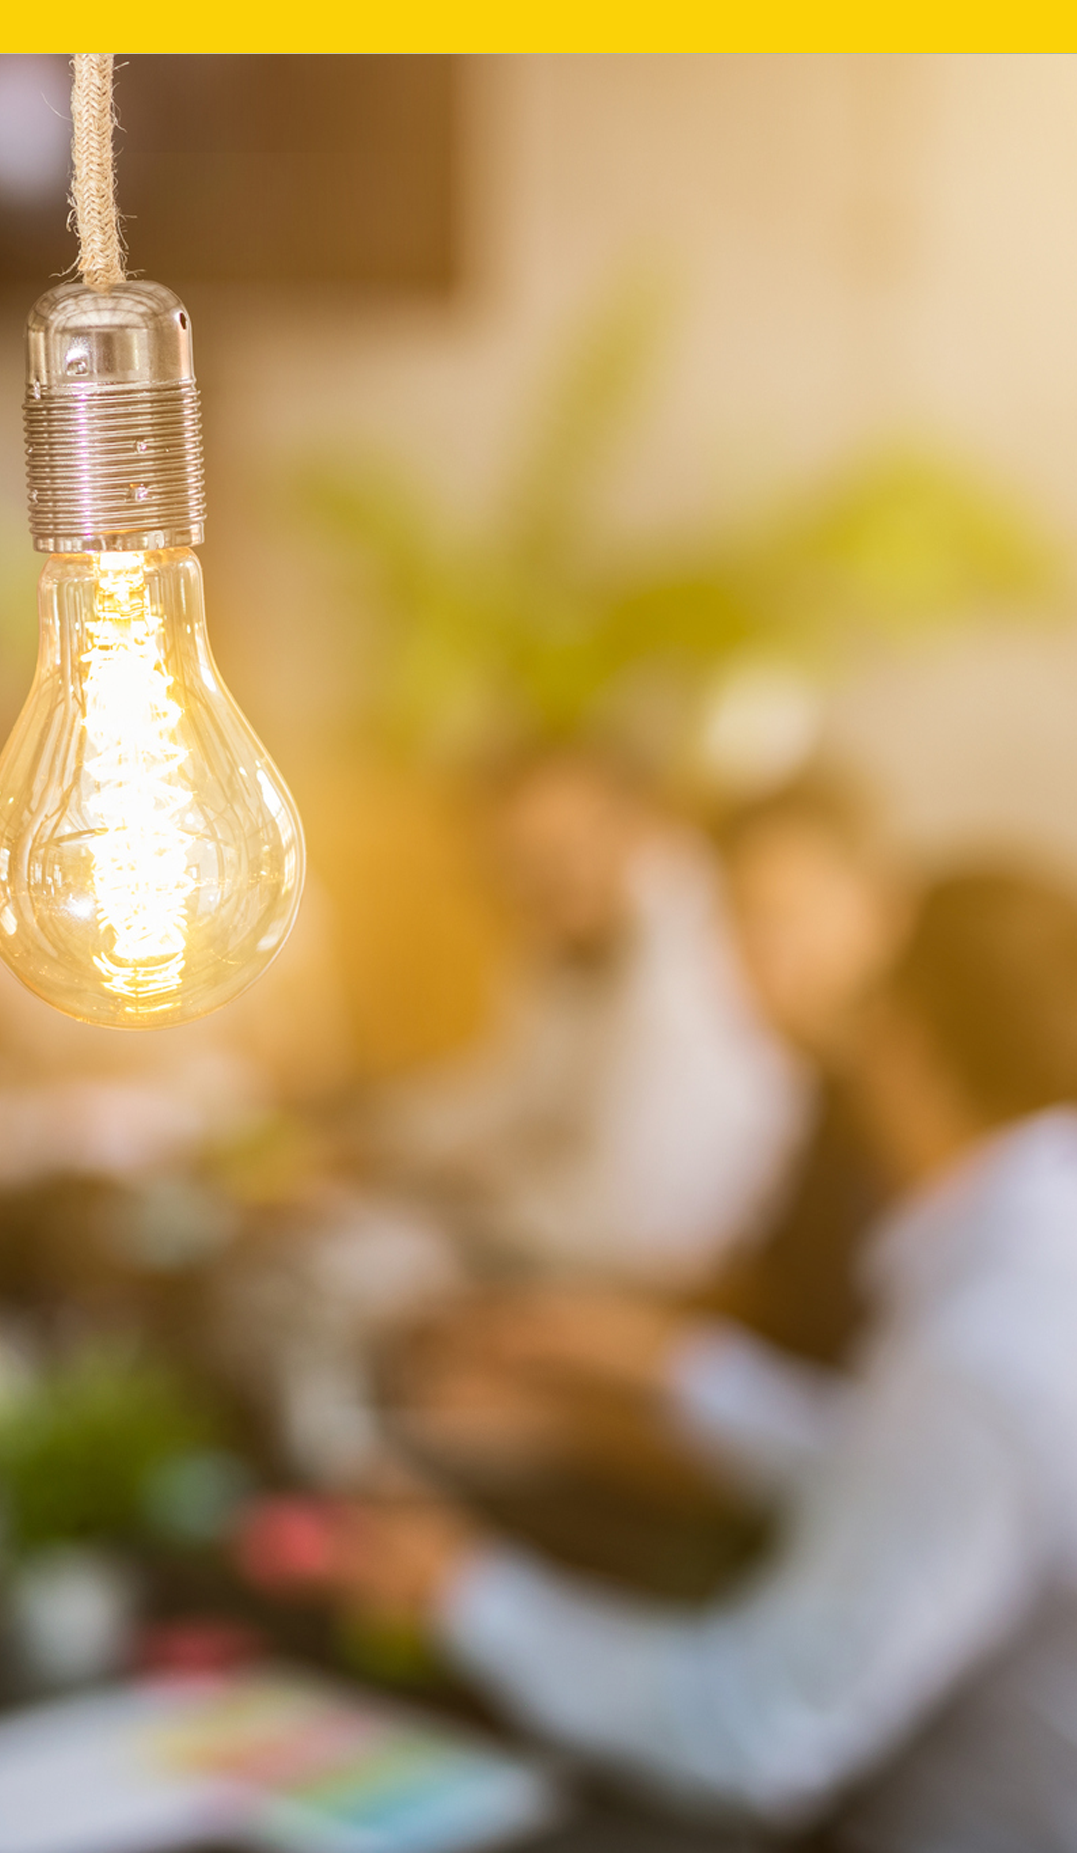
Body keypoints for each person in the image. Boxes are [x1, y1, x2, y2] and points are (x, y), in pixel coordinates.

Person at [322, 870, 1077, 1848]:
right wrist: (664, 1365)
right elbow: (905, 1479)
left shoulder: (990, 1335)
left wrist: (466, 1594)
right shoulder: (1032, 1243)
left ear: (903, 1040)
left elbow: (753, 1735)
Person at [402, 775, 916, 1500]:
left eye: (792, 917)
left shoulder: (913, 1135)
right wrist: (590, 1333)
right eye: (741, 923)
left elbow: (863, 1460)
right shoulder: (828, 1104)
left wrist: (581, 1419)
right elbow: (781, 1302)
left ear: (888, 910)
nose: (766, 958)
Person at [370, 739, 802, 1285]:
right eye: (517, 862)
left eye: (569, 847)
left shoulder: (699, 962)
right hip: (565, 1244)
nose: (548, 877)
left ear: (638, 828)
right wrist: (377, 1137)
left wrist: (429, 1188)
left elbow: (620, 1215)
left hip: (667, 1282)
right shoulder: (569, 945)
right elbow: (510, 1090)